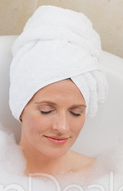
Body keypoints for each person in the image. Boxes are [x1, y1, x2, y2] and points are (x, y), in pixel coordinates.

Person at [9, 5, 108, 176]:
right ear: (20, 107)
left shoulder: (101, 179)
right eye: (46, 111)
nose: (62, 127)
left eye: (76, 113)